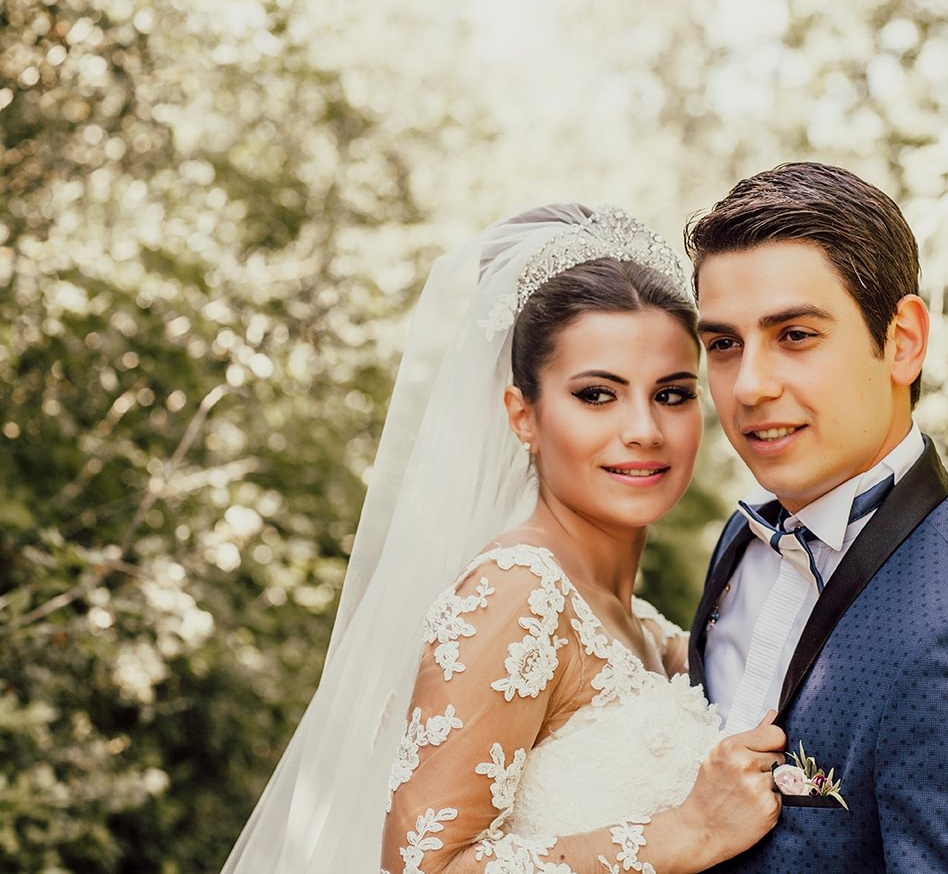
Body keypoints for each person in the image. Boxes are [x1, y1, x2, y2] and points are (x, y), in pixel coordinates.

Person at [223, 204, 784, 873]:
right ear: (523, 415)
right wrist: (681, 834)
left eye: (671, 394)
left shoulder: (649, 629)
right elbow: (425, 866)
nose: (644, 429)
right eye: (597, 395)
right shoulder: (517, 593)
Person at [683, 162, 948, 872]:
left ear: (903, 342)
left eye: (795, 334)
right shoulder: (742, 538)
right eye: (723, 345)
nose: (749, 386)